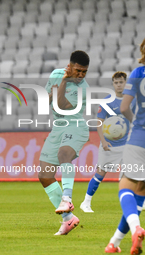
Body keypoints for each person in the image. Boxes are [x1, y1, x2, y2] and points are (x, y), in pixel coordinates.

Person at [38, 50, 90, 235]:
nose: (81, 75)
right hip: (58, 127)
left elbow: (59, 104)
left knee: (63, 155)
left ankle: (67, 198)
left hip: (75, 125)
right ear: (70, 65)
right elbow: (46, 102)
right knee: (44, 175)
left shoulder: (83, 88)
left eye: (84, 71)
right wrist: (62, 81)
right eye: (78, 70)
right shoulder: (56, 75)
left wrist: (66, 82)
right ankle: (68, 219)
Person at [105, 39, 145, 254]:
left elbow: (124, 106)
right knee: (140, 191)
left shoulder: (139, 73)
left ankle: (136, 228)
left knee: (126, 186)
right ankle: (114, 244)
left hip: (140, 137)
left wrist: (136, 124)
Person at [80, 71, 136, 213]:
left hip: (126, 145)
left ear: (125, 83)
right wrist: (103, 141)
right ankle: (86, 202)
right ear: (113, 84)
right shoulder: (107, 102)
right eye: (116, 83)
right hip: (110, 145)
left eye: (121, 82)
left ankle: (132, 202)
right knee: (100, 173)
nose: (119, 85)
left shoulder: (131, 100)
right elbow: (99, 123)